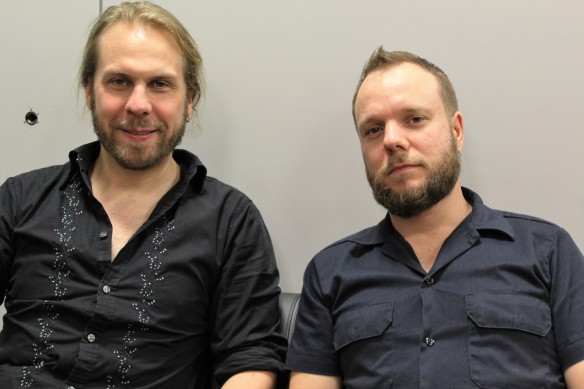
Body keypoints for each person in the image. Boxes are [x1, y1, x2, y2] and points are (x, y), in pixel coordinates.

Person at [0, 2, 286, 388]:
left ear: (189, 99)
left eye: (160, 84)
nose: (138, 104)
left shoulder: (231, 220)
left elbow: (250, 359)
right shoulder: (20, 199)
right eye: (119, 81)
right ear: (90, 91)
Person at [285, 47, 584, 388]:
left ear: (456, 131)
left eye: (414, 119)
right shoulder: (330, 273)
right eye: (373, 130)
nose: (392, 140)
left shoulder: (547, 251)